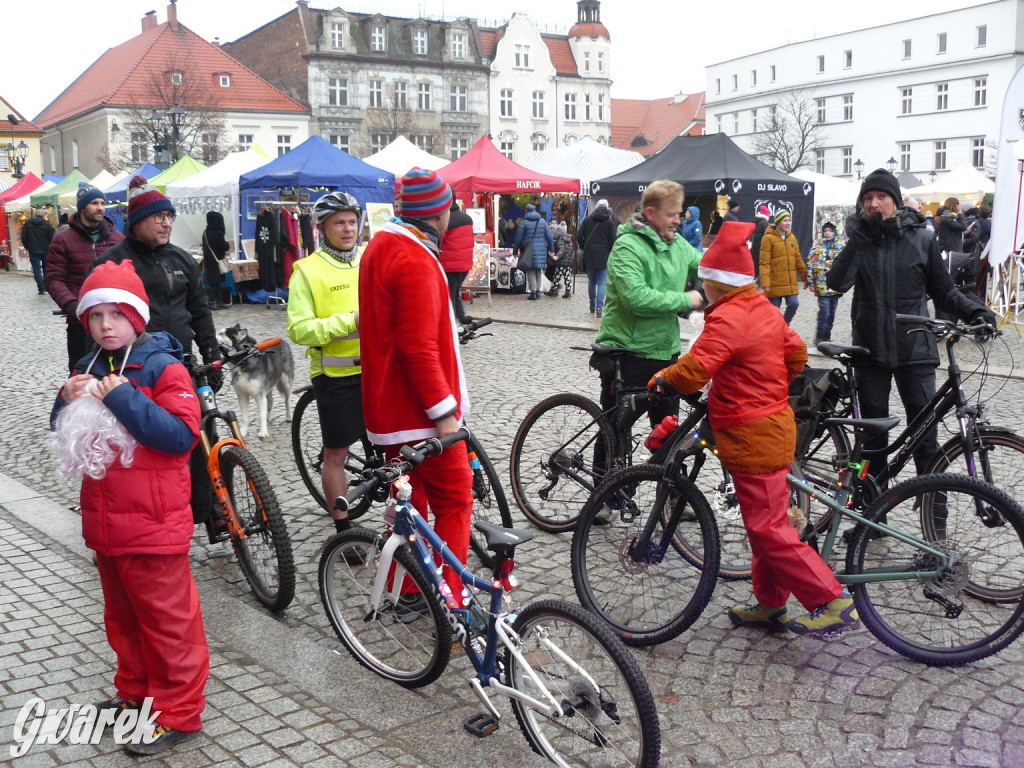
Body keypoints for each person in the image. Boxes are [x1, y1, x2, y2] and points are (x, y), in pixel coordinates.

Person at [647, 222, 858, 636]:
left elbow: (694, 370)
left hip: (751, 431)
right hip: (773, 425)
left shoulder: (729, 316)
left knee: (768, 527)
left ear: (717, 283)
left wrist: (662, 379)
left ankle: (831, 598)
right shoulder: (762, 307)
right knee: (764, 522)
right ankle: (770, 604)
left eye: (706, 281)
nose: (703, 289)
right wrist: (766, 381)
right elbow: (796, 353)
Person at [51, 260, 207, 755]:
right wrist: (63, 399)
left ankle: (179, 713)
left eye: (116, 315)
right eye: (95, 317)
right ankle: (135, 697)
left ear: (136, 317)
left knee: (168, 624)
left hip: (153, 524)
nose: (105, 326)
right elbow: (67, 432)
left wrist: (122, 399)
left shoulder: (165, 367)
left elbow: (180, 436)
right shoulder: (89, 365)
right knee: (123, 620)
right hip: (106, 524)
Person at [826, 168, 996, 482]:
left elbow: (944, 291)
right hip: (869, 353)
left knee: (925, 440)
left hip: (915, 351)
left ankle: (935, 524)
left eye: (881, 196)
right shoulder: (860, 241)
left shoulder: (921, 238)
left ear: (895, 201)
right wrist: (857, 242)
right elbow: (836, 282)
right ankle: (870, 522)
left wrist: (976, 311)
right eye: (868, 198)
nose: (874, 203)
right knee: (872, 443)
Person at [359, 167, 473, 613]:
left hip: (389, 410)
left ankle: (404, 588)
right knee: (455, 499)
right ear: (440, 212)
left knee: (409, 498)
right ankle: (453, 598)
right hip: (419, 415)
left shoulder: (380, 246)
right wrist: (445, 414)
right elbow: (418, 348)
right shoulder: (414, 258)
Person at [90, 175, 222, 527]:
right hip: (133, 366)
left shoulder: (182, 260)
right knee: (144, 440)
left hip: (182, 363)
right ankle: (150, 514)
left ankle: (211, 509)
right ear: (136, 222)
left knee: (203, 434)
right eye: (157, 216)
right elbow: (94, 318)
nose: (166, 223)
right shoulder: (113, 263)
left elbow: (200, 310)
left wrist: (211, 353)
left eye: (169, 216)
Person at [286, 191, 367, 552]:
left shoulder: (370, 258)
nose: (347, 228)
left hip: (379, 370)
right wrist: (350, 322)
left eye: (352, 221)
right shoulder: (307, 270)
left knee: (397, 448)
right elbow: (299, 329)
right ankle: (344, 531)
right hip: (336, 375)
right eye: (339, 222)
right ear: (323, 228)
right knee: (337, 454)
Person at [595, 179, 705, 431]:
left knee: (667, 433)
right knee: (613, 432)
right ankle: (604, 471)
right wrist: (686, 299)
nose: (678, 220)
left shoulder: (676, 243)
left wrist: (736, 274)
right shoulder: (627, 246)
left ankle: (656, 473)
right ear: (650, 214)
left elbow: (705, 266)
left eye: (679, 213)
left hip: (665, 352)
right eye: (671, 215)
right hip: (627, 353)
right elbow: (636, 298)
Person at [45, 182, 125, 373]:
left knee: (120, 373)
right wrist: (72, 305)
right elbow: (54, 278)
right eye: (94, 203)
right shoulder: (63, 240)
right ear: (82, 208)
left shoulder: (118, 239)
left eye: (102, 203)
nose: (100, 208)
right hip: (80, 323)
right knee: (82, 374)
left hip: (115, 319)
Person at [759, 209, 806, 325]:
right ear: (778, 222)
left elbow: (798, 259)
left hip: (789, 282)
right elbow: (764, 263)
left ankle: (783, 326)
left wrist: (805, 277)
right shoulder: (768, 238)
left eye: (789, 220)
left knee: (794, 304)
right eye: (785, 220)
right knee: (774, 312)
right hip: (774, 282)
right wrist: (765, 283)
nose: (788, 223)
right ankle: (773, 333)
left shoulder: (792, 238)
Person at [577, 198, 617, 316]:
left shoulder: (588, 220)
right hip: (603, 255)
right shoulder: (609, 222)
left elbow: (579, 235)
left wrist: (584, 247)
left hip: (589, 255)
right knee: (601, 282)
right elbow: (613, 240)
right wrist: (608, 250)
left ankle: (592, 304)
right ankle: (600, 307)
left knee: (592, 281)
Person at [806, 221, 844, 345]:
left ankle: (827, 336)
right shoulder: (817, 246)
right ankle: (820, 336)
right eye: (825, 231)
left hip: (835, 286)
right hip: (821, 285)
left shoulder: (841, 246)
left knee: (832, 312)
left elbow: (846, 265)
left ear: (834, 232)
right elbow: (810, 263)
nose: (827, 233)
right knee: (825, 310)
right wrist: (811, 281)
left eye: (830, 231)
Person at [439, 198, 474, 323]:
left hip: (450, 264)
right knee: (455, 292)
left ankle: (451, 323)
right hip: (465, 264)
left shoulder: (446, 219)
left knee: (450, 296)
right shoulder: (467, 219)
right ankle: (462, 317)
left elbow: (440, 241)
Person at [512, 202, 554, 300]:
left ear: (526, 211)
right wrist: (551, 249)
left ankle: (533, 292)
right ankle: (538, 291)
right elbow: (549, 237)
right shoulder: (542, 222)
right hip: (541, 249)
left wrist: (515, 251)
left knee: (530, 270)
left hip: (529, 250)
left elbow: (518, 238)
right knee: (538, 270)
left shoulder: (524, 222)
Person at [20, 207, 54, 295]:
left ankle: (41, 288)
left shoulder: (28, 224)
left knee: (36, 270)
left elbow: (23, 236)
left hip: (33, 249)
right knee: (46, 269)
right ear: (44, 216)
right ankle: (46, 287)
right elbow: (51, 237)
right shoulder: (47, 225)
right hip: (45, 249)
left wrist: (27, 246)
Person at [201, 211, 230, 310]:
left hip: (209, 261)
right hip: (217, 261)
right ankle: (213, 301)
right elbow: (224, 246)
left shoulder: (205, 233)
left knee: (214, 282)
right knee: (216, 283)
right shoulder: (218, 233)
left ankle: (216, 301)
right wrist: (227, 244)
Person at [545, 220, 574, 298]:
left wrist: (557, 256)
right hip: (568, 261)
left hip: (561, 261)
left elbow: (562, 249)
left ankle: (553, 290)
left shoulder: (560, 240)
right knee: (567, 276)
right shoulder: (569, 239)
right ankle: (568, 291)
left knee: (557, 276)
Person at [750, 205, 771, 282]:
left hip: (754, 245)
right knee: (761, 263)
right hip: (761, 245)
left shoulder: (756, 221)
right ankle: (759, 281)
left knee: (755, 262)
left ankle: (755, 278)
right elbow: (767, 233)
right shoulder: (764, 222)